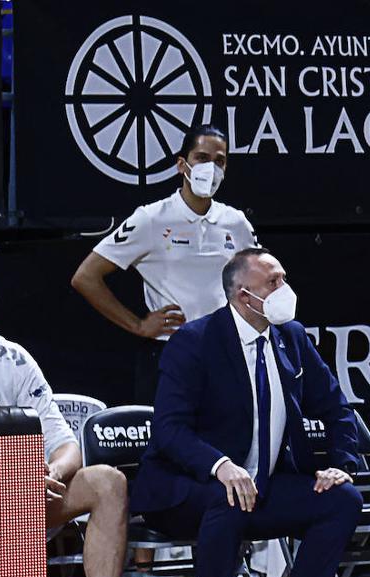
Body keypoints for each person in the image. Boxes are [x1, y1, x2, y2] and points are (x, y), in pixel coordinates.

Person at [131, 247, 362, 577]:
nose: (284, 290)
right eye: (273, 282)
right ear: (243, 296)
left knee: (341, 499)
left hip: (261, 487)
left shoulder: (289, 337)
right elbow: (169, 429)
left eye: (283, 278)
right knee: (227, 499)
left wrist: (340, 463)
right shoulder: (196, 342)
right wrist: (219, 464)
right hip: (185, 489)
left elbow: (336, 407)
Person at [0, 274, 160, 577]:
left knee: (107, 482)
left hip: (17, 502)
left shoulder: (12, 360)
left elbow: (68, 445)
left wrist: (46, 473)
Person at [71, 124, 257, 404]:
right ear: (182, 165)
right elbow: (85, 276)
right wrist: (137, 325)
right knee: (170, 445)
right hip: (171, 355)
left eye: (220, 161)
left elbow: (260, 281)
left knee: (227, 444)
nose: (211, 168)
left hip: (225, 354)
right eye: (202, 158)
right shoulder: (151, 218)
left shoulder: (236, 222)